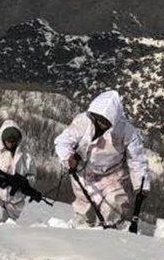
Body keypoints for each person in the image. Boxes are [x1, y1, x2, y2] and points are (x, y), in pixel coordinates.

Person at [54, 90, 150, 228]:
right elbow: (63, 142)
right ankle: (80, 230)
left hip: (112, 174)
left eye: (105, 121)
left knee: (114, 202)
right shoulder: (82, 122)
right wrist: (68, 158)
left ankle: (110, 231)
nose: (100, 123)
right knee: (84, 206)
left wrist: (141, 185)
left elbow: (137, 160)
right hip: (85, 171)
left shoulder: (127, 131)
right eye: (97, 118)